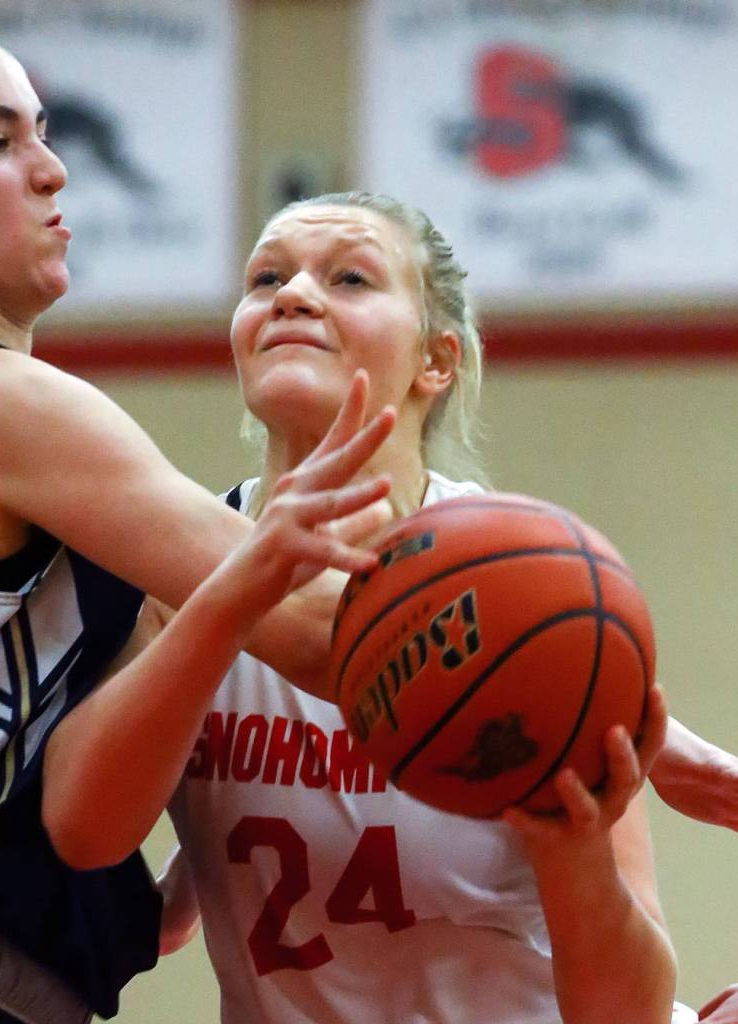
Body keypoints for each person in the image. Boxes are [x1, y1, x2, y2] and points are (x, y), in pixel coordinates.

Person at [0, 20, 398, 1024]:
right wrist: (610, 719)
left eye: (43, 132)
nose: (53, 170)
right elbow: (325, 634)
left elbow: (83, 821)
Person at [124, 191, 684, 1022]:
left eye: (349, 277)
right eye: (267, 277)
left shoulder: (536, 588)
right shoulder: (172, 578)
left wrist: (575, 861)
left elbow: (627, 1013)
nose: (294, 295)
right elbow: (123, 896)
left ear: (437, 360)